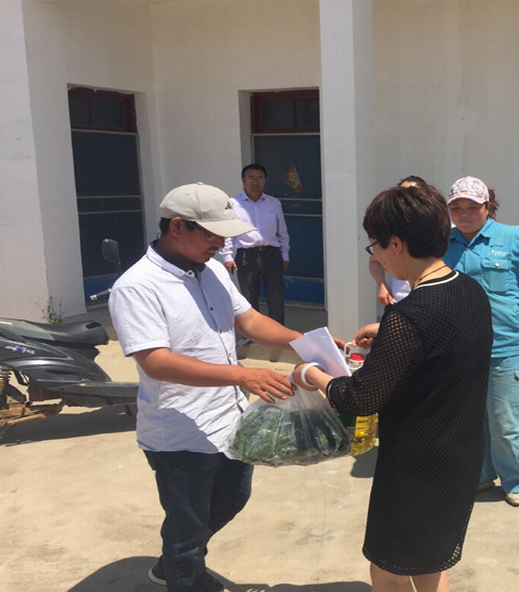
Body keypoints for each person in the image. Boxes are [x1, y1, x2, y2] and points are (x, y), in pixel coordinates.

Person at [293, 184, 492, 592]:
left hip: (416, 463)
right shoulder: (469, 290)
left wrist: (311, 374)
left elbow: (360, 396)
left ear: (396, 244)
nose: (377, 257)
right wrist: (388, 334)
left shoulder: (409, 315)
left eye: (375, 247)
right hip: (461, 451)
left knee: (388, 570)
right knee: (430, 561)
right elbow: (443, 342)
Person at [109, 182, 305, 592]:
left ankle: (175, 562)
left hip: (228, 419)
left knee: (232, 498)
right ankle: (185, 575)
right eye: (213, 234)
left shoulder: (213, 269)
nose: (220, 243)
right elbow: (156, 361)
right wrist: (243, 375)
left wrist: (307, 343)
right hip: (180, 434)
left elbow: (249, 321)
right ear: (177, 226)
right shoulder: (138, 286)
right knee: (187, 526)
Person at [443, 176, 519, 507]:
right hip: (461, 347)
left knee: (504, 421)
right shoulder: (444, 244)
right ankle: (482, 475)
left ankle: (514, 480)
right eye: (456, 207)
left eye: (472, 207)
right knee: (472, 419)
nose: (464, 214)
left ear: (488, 207)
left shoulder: (513, 238)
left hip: (505, 345)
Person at [220, 164, 290, 327]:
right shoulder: (232, 203)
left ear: (265, 180)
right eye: (250, 178)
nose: (255, 182)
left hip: (271, 254)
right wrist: (227, 256)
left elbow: (282, 232)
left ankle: (277, 331)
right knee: (248, 298)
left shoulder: (274, 203)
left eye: (260, 178)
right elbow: (227, 232)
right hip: (246, 256)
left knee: (276, 297)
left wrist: (285, 255)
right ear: (243, 180)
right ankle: (253, 334)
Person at [368, 176, 442, 306]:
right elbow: (375, 259)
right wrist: (382, 285)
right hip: (397, 302)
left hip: (428, 302)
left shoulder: (438, 231)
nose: (407, 199)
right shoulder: (392, 232)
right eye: (403, 193)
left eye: (413, 194)